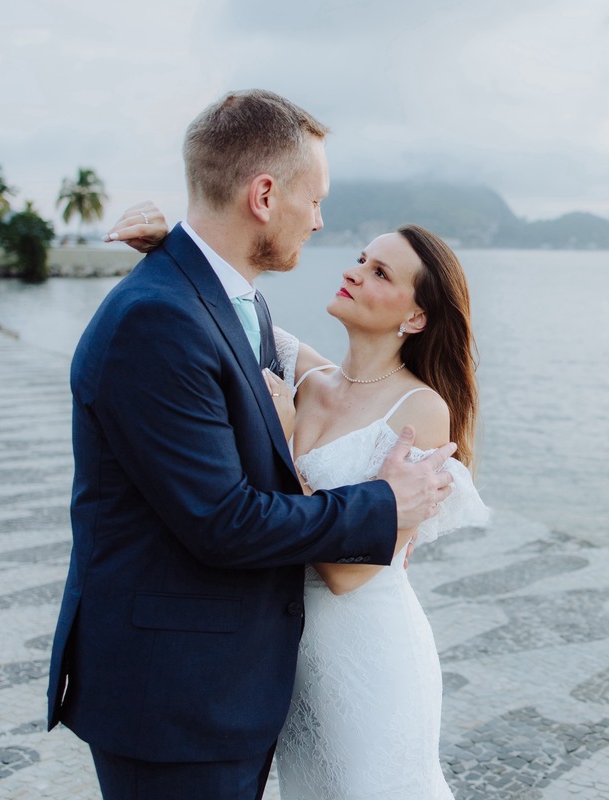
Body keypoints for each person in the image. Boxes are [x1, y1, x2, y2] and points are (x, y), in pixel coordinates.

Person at [46, 89, 457, 800]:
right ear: (264, 195)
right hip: (172, 700)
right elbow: (222, 521)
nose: (322, 223)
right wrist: (385, 504)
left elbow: (338, 385)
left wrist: (174, 246)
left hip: (235, 686)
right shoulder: (159, 320)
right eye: (316, 199)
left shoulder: (232, 303)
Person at [110, 205, 487, 798]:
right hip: (287, 658)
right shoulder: (305, 376)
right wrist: (175, 246)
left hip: (368, 655)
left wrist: (285, 441)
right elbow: (222, 309)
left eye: (382, 274)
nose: (357, 272)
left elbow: (344, 572)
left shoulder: (421, 410)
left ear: (416, 317)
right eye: (363, 259)